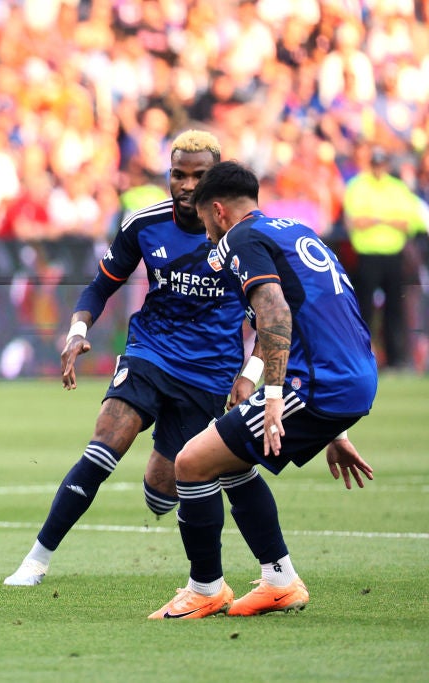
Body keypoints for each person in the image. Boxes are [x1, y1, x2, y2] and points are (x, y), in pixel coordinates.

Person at [5, 130, 267, 586]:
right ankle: (36, 560)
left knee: (161, 492)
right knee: (105, 443)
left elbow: (271, 322)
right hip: (150, 352)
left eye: (198, 176)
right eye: (177, 174)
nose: (186, 186)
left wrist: (252, 374)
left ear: (217, 181)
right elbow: (100, 285)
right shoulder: (144, 224)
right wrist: (77, 331)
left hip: (209, 373)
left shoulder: (244, 239)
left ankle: (168, 459)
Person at [149, 161, 377, 619]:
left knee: (190, 463)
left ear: (218, 211)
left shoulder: (240, 238)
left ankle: (206, 588)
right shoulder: (295, 231)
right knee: (228, 462)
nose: (206, 233)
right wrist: (337, 431)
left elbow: (275, 313)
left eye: (205, 220)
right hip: (350, 376)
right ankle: (278, 580)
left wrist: (273, 398)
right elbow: (325, 314)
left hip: (314, 384)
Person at [342, 145, 424, 369]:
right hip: (367, 255)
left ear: (386, 164)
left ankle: (396, 359)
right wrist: (388, 220)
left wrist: (374, 220)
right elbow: (355, 221)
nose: (379, 168)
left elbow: (408, 222)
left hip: (393, 255)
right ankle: (361, 357)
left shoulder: (397, 188)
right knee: (364, 309)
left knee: (395, 310)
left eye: (382, 163)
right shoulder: (358, 185)